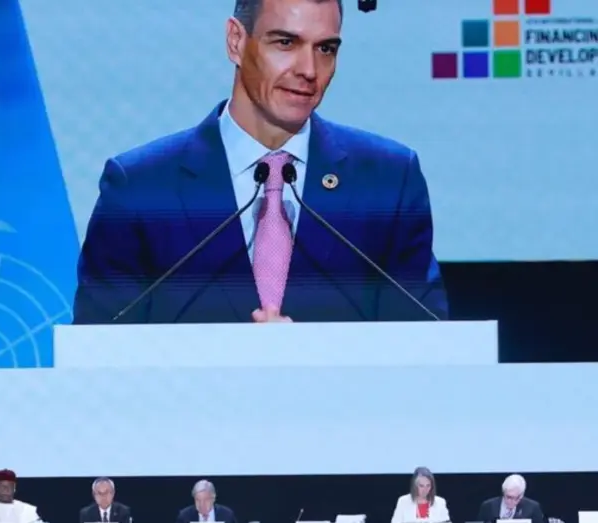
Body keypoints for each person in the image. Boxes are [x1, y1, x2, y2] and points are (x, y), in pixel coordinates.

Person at [72, 0, 446, 325]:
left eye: (326, 49)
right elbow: (99, 359)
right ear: (236, 41)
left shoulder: (388, 182)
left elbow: (428, 348)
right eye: (286, 42)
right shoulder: (140, 188)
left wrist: (309, 358)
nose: (309, 70)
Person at [388, 467, 452, 523]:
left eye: (428, 485)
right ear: (415, 486)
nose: (425, 490)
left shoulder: (440, 502)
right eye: (421, 486)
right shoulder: (403, 501)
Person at [476, 474, 547, 523]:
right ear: (503, 492)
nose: (511, 501)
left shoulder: (532, 508)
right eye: (508, 497)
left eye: (516, 498)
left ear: (521, 496)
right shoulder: (488, 506)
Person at [172, 480, 241, 523]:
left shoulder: (227, 515)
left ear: (213, 498)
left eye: (206, 500)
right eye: (198, 500)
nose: (202, 504)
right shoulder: (185, 516)